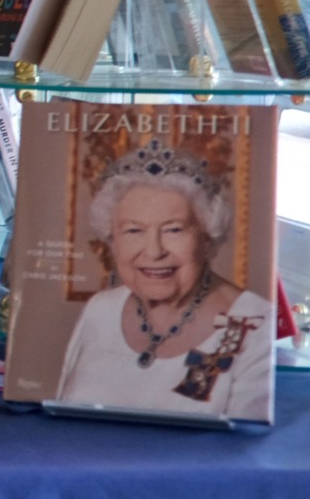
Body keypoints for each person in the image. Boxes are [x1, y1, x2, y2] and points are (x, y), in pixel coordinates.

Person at [56, 139, 272, 420]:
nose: (155, 251)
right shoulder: (101, 308)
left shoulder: (255, 322)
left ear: (207, 239)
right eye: (134, 231)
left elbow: (243, 446)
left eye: (173, 230)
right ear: (113, 242)